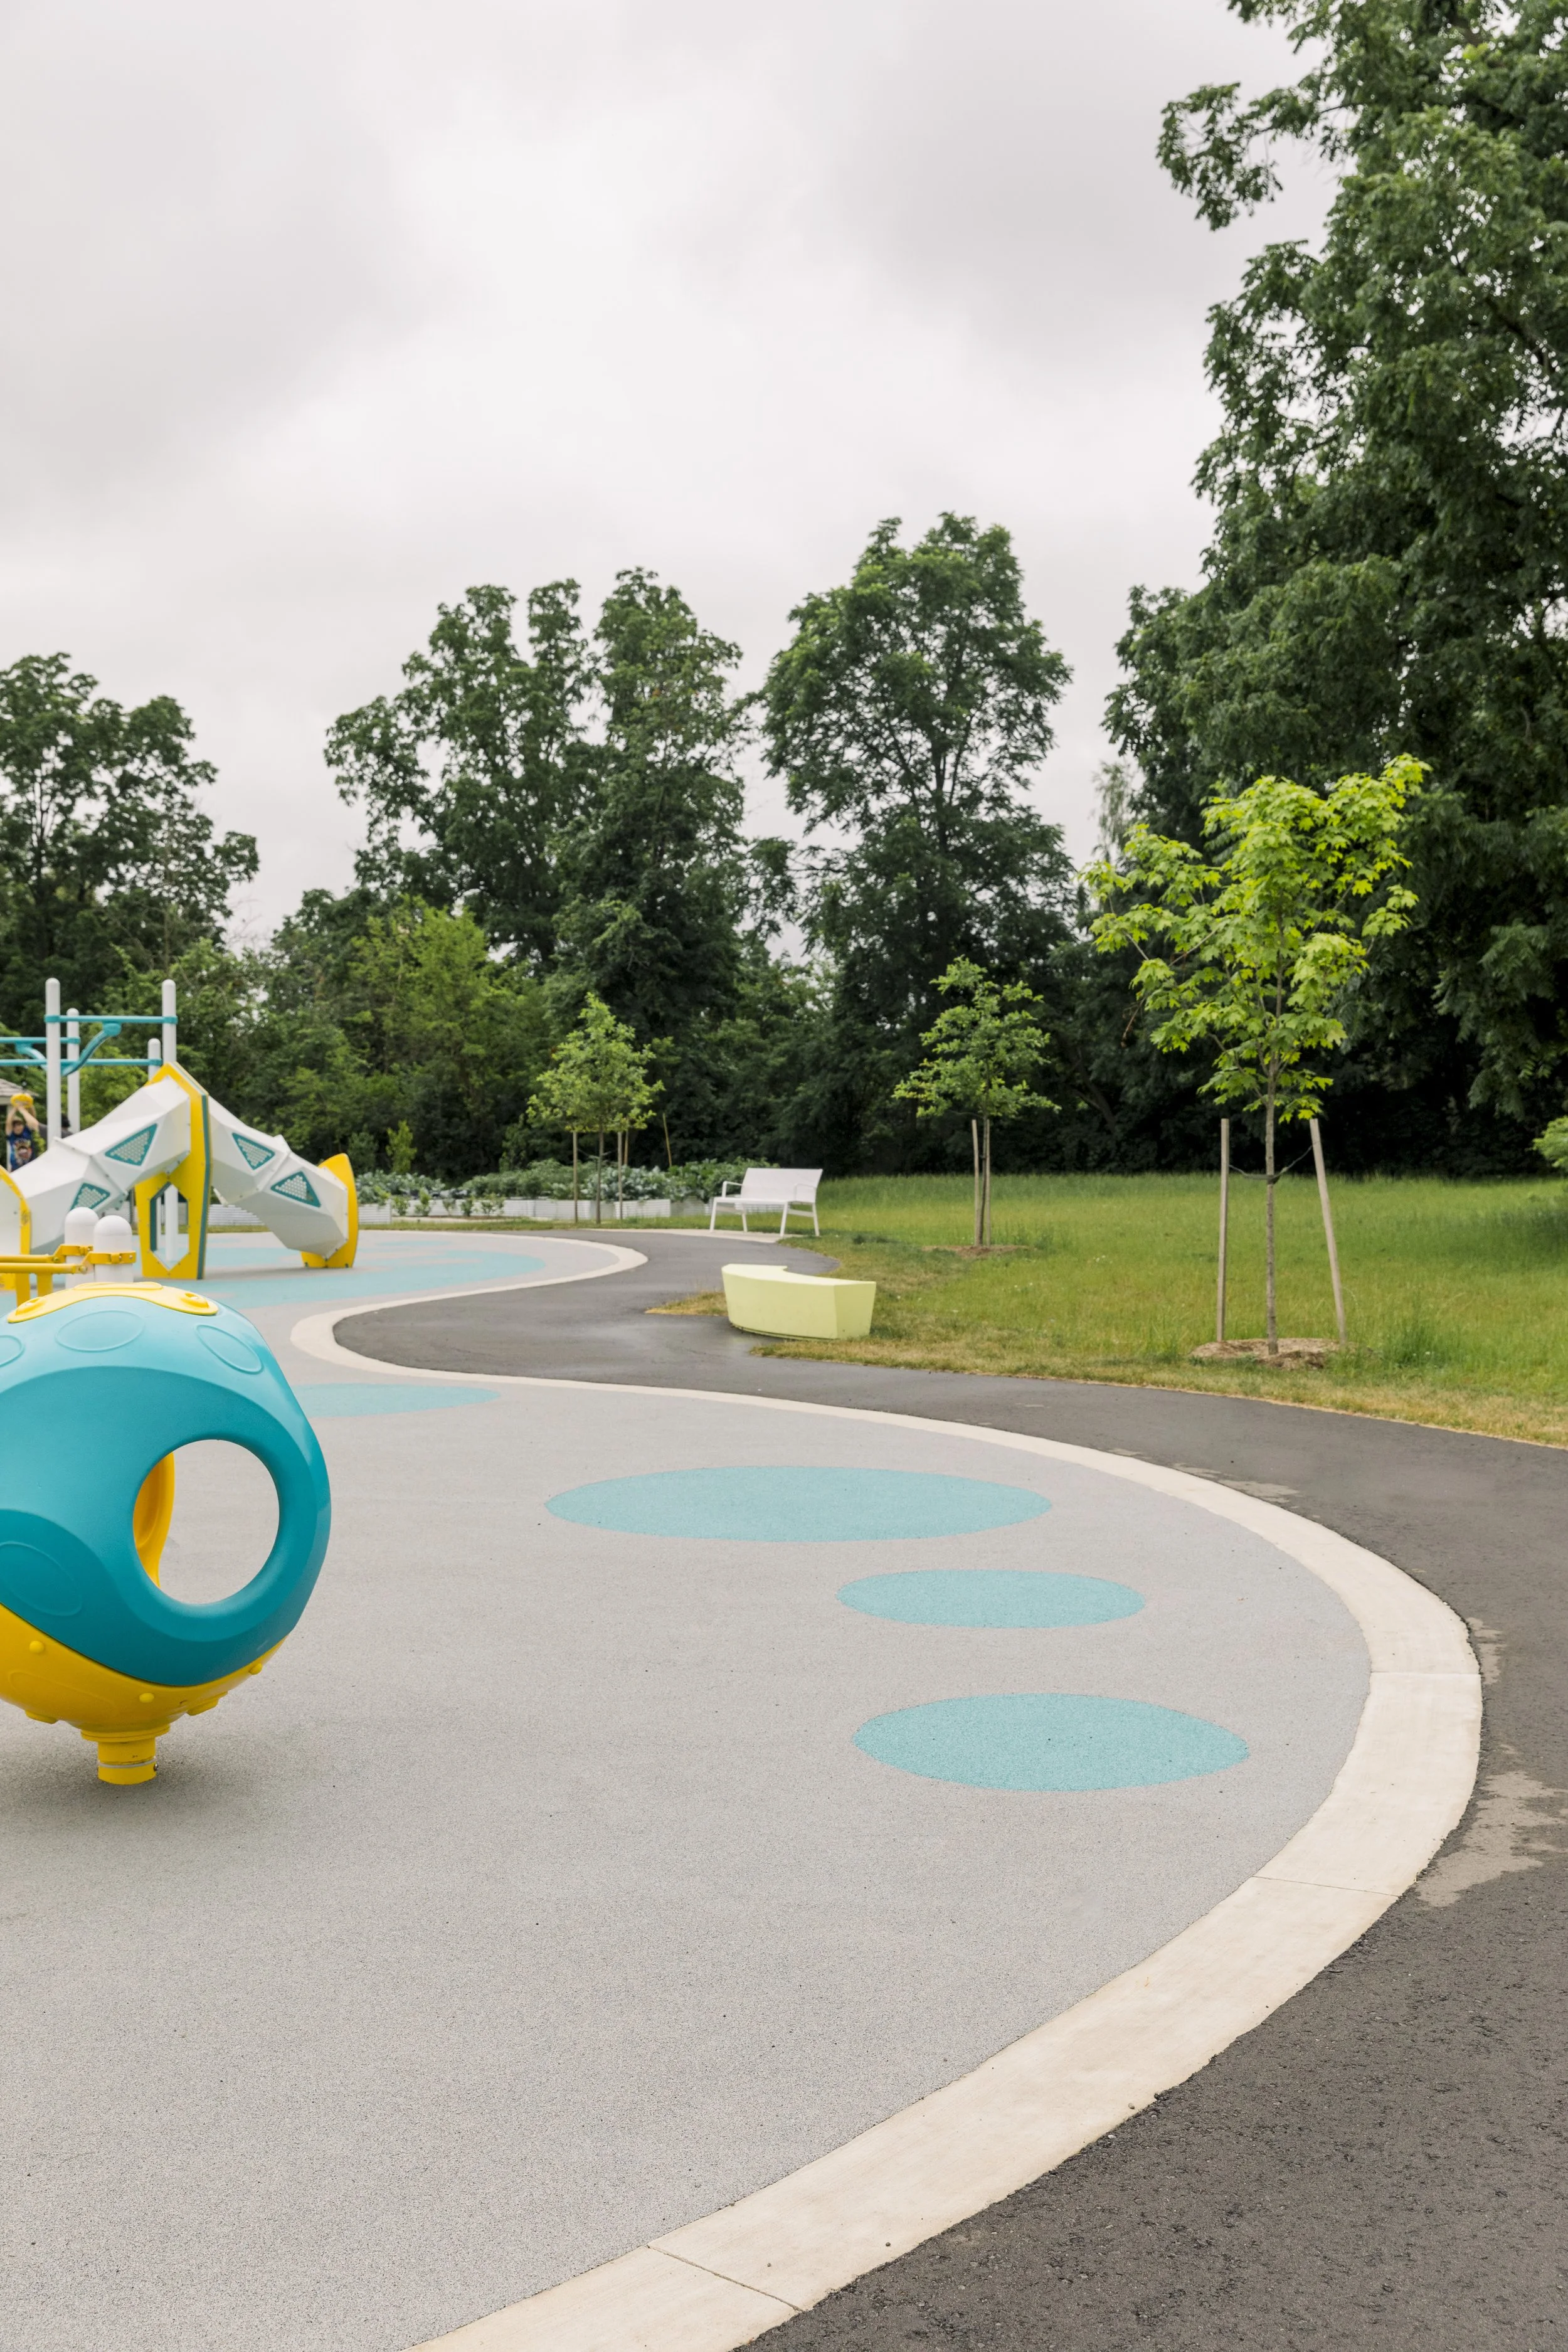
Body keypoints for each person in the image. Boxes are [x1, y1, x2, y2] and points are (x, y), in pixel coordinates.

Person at [6, 1091, 41, 1172]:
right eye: (15, 1126)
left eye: (19, 1125)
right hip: (16, 1170)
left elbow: (33, 1118)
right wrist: (16, 1108)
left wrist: (30, 1105)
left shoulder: (27, 1131)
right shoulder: (11, 1136)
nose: (17, 1128)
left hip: (30, 1168)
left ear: (23, 1125)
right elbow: (8, 1122)